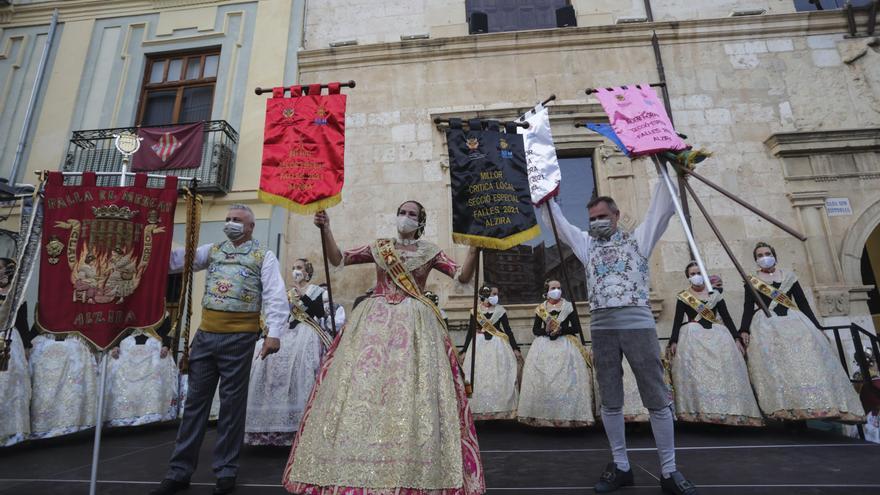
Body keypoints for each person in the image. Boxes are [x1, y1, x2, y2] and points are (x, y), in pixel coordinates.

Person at [283, 201, 484, 495]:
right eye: (402, 212)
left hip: (416, 324)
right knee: (364, 386)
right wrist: (326, 229)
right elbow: (339, 258)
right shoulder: (380, 247)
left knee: (410, 387)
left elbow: (462, 276)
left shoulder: (430, 252)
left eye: (412, 214)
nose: (405, 218)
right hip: (373, 322)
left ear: (421, 221)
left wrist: (475, 249)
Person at [540, 179, 697, 494]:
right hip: (602, 328)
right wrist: (546, 196)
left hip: (638, 325)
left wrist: (663, 165)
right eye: (593, 218)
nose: (597, 222)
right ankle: (621, 465)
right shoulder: (586, 245)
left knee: (655, 395)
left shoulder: (639, 238)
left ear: (616, 215)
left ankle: (669, 471)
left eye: (602, 217)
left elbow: (661, 210)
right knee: (610, 398)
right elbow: (557, 225)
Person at [151, 204, 287, 495]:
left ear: (250, 227)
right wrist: (151, 240)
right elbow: (176, 261)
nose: (230, 223)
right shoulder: (212, 250)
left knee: (231, 409)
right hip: (205, 336)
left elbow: (275, 294)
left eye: (237, 220)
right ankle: (178, 471)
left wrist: (273, 333)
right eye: (228, 219)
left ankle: (226, 471)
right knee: (194, 407)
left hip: (240, 338)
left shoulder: (264, 255)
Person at [740, 242, 864, 423]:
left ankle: (814, 409)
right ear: (756, 260)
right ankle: (787, 414)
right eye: (760, 255)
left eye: (767, 253)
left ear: (774, 255)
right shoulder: (751, 280)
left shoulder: (789, 277)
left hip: (795, 323)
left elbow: (803, 304)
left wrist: (817, 327)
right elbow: (747, 307)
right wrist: (743, 329)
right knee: (778, 368)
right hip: (767, 327)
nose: (764, 257)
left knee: (807, 362)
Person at [667, 262, 762, 426]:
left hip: (719, 336)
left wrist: (736, 338)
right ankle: (702, 413)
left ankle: (729, 412)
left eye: (698, 272)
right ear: (688, 277)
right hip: (693, 337)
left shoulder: (715, 295)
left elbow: (727, 317)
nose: (695, 276)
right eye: (692, 274)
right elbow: (677, 320)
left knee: (724, 371)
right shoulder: (683, 296)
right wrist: (673, 341)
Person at [245, 257, 327, 446]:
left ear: (308, 272)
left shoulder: (317, 291)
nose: (296, 271)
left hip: (307, 331)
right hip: (288, 331)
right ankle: (270, 422)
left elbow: (320, 313)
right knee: (264, 357)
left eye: (299, 268)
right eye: (293, 267)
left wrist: (302, 296)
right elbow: (282, 316)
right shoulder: (287, 292)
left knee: (301, 359)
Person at [518, 280, 594, 427]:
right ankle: (544, 417)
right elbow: (535, 330)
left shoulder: (568, 307)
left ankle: (569, 416)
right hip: (544, 346)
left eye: (559, 287)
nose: (557, 290)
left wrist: (562, 330)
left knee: (567, 381)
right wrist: (545, 330)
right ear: (547, 291)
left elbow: (576, 328)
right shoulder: (541, 309)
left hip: (566, 346)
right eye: (554, 288)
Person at [461, 285, 522, 420]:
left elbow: (508, 330)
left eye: (497, 294)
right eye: (494, 294)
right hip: (478, 346)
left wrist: (515, 348)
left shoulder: (500, 311)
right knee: (475, 376)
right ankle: (476, 410)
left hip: (498, 347)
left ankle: (501, 410)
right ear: (485, 295)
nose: (496, 297)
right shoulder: (475, 311)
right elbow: (470, 332)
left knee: (499, 375)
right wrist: (464, 351)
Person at [105, 319, 178, 427]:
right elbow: (120, 328)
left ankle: (152, 412)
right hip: (128, 348)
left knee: (156, 373)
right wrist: (115, 345)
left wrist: (166, 346)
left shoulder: (162, 313)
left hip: (154, 349)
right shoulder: (129, 311)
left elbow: (166, 332)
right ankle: (124, 415)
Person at [0, 258, 35, 446]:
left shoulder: (17, 295)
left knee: (12, 384)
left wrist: (27, 347)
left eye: (1, 269)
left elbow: (22, 323)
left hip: (11, 341)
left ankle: (13, 432)